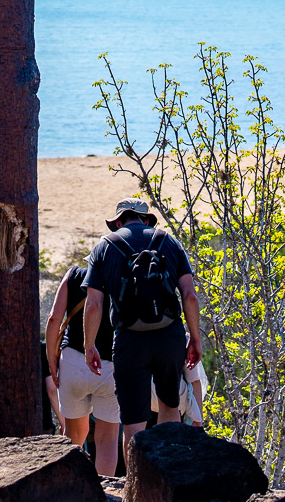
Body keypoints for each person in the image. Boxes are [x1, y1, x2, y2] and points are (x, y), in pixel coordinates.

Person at [82, 199, 202, 467]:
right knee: (170, 408)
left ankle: (136, 488)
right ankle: (168, 481)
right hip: (169, 336)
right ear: (147, 219)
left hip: (128, 340)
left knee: (133, 422)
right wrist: (194, 338)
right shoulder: (169, 242)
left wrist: (90, 345)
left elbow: (93, 305)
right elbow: (190, 296)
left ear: (119, 221)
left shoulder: (104, 246)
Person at [45, 254, 119, 475]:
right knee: (108, 439)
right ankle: (104, 495)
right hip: (110, 366)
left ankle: (70, 492)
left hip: (73, 362)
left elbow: (53, 319)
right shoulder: (119, 278)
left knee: (73, 437)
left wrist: (51, 358)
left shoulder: (74, 275)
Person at [152, 354, 208, 427]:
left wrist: (198, 419)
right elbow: (194, 380)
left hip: (146, 406)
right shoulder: (181, 343)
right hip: (171, 406)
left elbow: (194, 380)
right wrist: (198, 419)